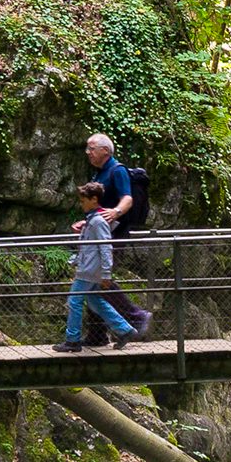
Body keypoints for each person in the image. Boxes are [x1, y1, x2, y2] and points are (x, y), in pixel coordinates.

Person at [82, 131, 152, 332]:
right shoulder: (99, 173)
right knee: (94, 281)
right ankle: (97, 334)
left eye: (91, 148)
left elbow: (127, 199)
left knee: (101, 281)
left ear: (105, 150)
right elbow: (100, 207)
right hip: (100, 233)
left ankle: (137, 316)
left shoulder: (117, 170)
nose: (88, 152)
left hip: (115, 234)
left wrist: (116, 212)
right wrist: (85, 222)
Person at [56, 183, 140, 353]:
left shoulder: (98, 221)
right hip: (90, 269)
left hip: (89, 271)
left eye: (83, 200)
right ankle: (125, 330)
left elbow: (105, 246)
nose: (81, 204)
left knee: (74, 301)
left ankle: (72, 340)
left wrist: (106, 273)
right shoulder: (92, 220)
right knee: (95, 301)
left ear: (94, 200)